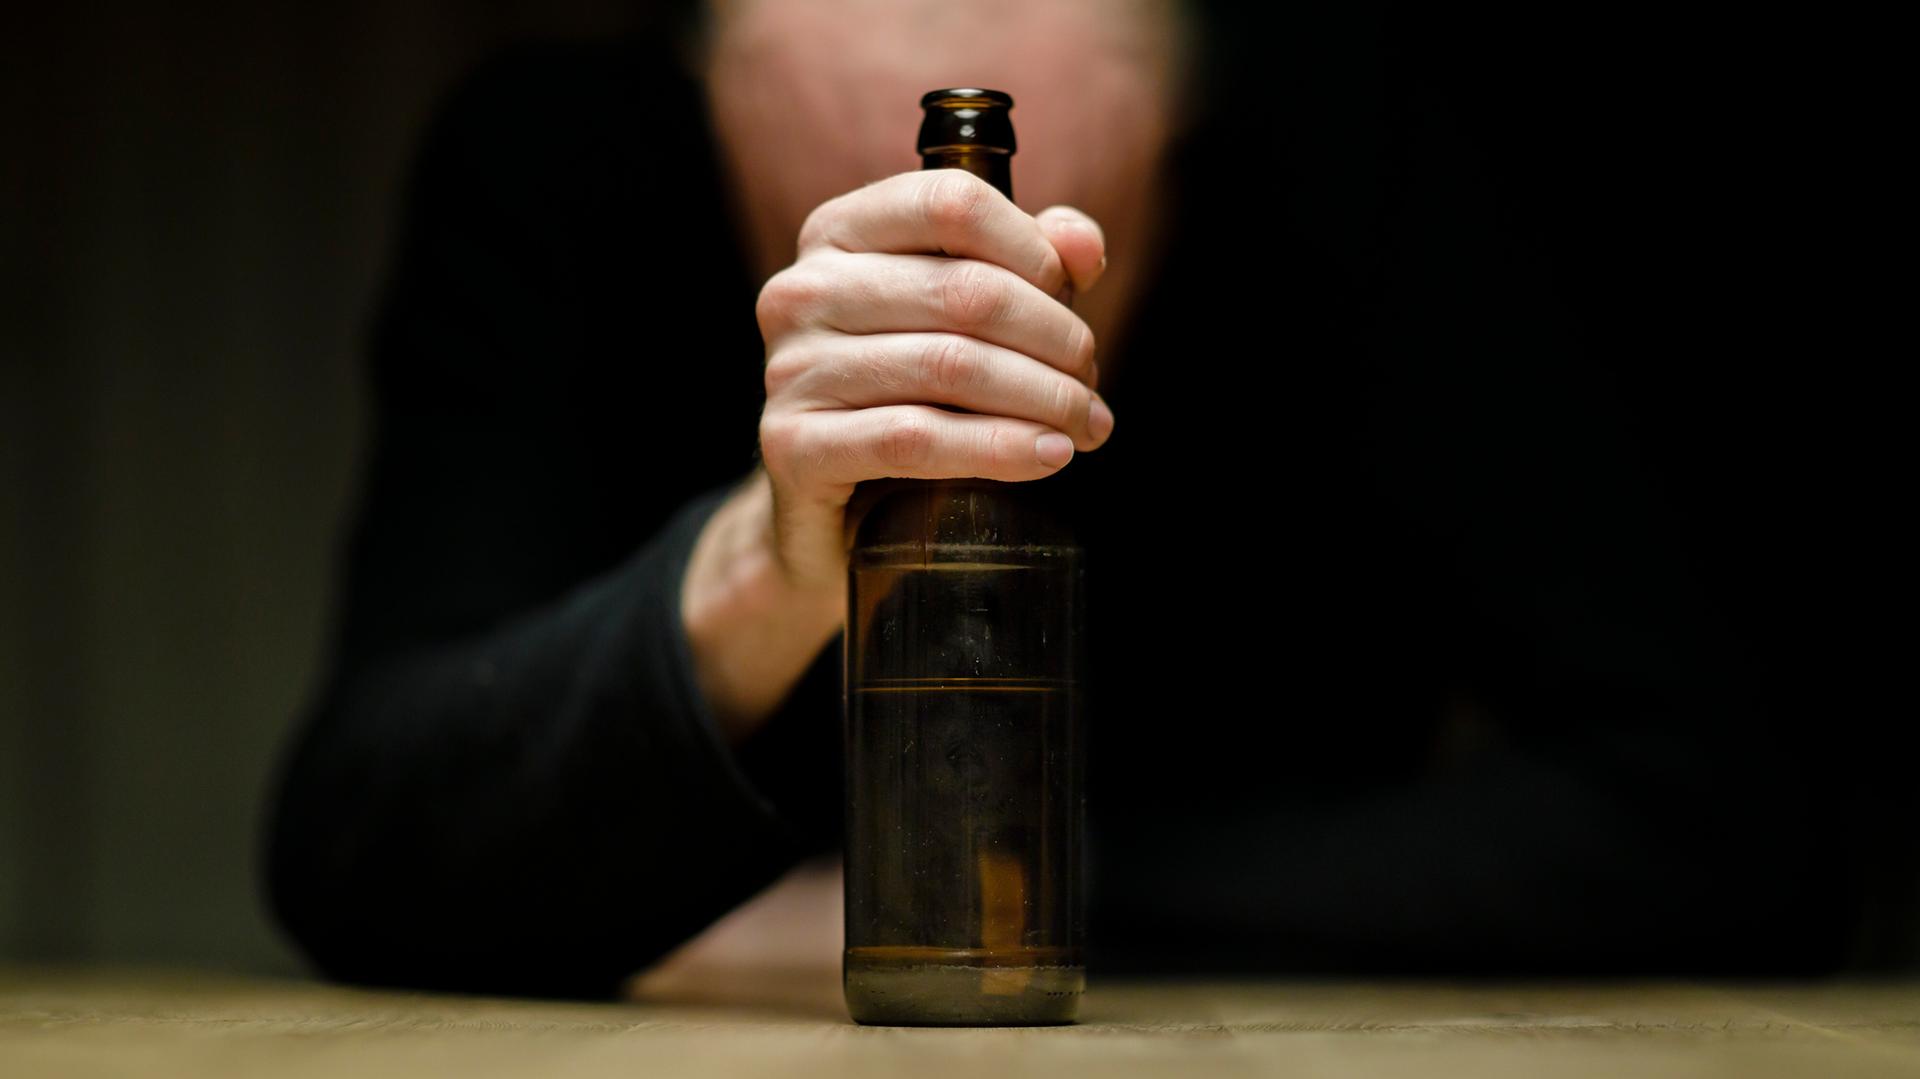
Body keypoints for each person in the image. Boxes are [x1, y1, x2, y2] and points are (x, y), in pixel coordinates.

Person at [263, 1, 1855, 999]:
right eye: (862, 264)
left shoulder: (1367, 153)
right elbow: (356, 845)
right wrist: (765, 561)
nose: (959, 340)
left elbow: (1730, 815)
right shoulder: (555, 159)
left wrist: (975, 894)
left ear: (1188, 125)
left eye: (1046, 269)